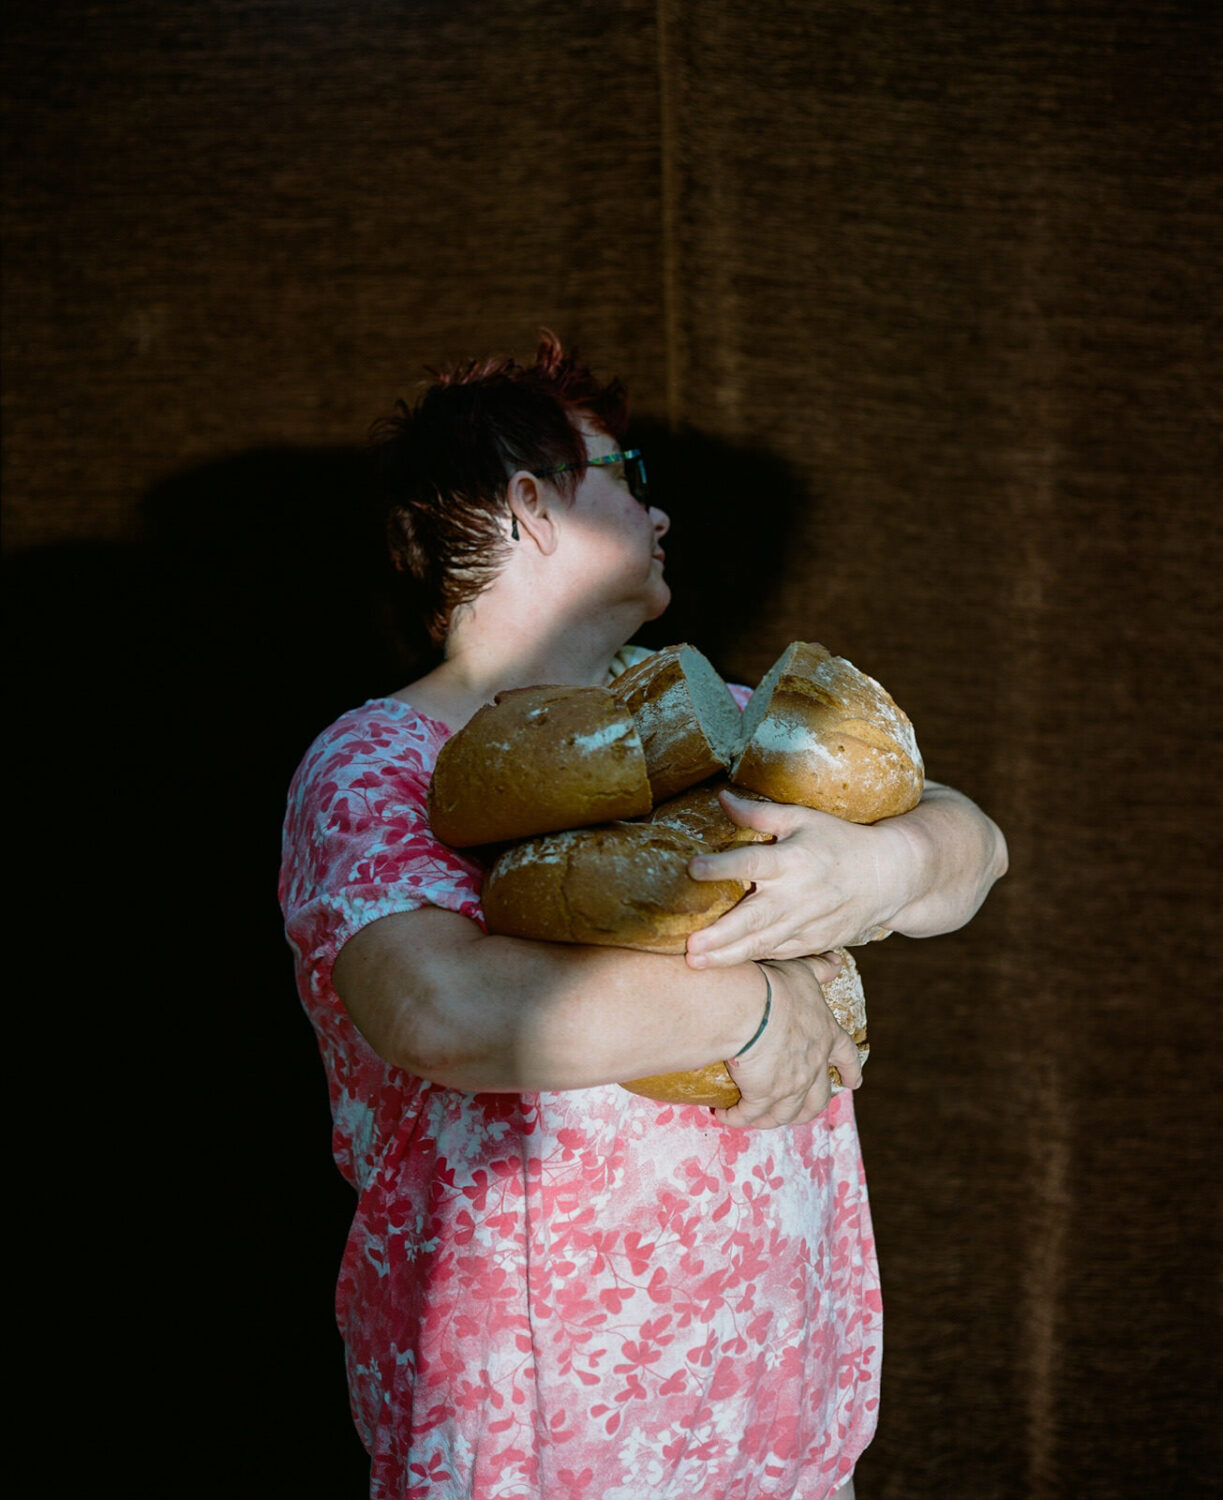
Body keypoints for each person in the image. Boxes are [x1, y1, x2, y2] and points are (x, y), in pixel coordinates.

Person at [278, 335, 1007, 1500]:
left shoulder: (713, 712)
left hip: (770, 1399)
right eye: (628, 477)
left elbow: (971, 844)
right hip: (539, 1423)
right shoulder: (381, 760)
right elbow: (441, 1008)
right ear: (528, 504)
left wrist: (888, 863)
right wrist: (752, 1010)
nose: (660, 513)